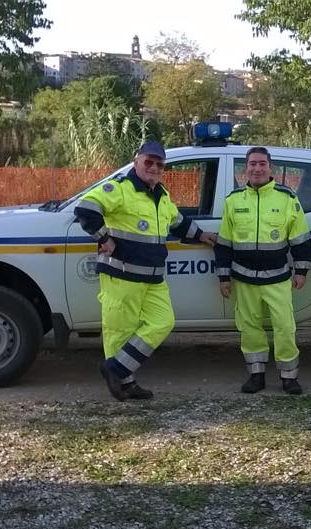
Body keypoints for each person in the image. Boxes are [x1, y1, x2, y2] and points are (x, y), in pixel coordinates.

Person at [74, 141, 216, 401]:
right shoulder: (120, 188)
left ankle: (116, 369)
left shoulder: (162, 195)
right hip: (122, 274)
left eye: (159, 164)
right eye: (148, 162)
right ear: (136, 161)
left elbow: (177, 222)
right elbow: (86, 208)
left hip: (153, 276)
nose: (154, 167)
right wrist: (104, 238)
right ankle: (126, 384)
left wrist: (201, 235)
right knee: (120, 330)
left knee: (163, 321)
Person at [214, 147, 311, 394]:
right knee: (249, 327)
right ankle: (256, 375)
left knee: (285, 327)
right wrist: (224, 277)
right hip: (244, 277)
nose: (257, 168)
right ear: (245, 168)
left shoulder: (286, 198)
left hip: (277, 277)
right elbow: (224, 243)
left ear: (271, 168)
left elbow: (301, 238)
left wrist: (301, 270)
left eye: (262, 164)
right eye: (252, 164)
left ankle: (289, 377)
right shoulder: (233, 200)